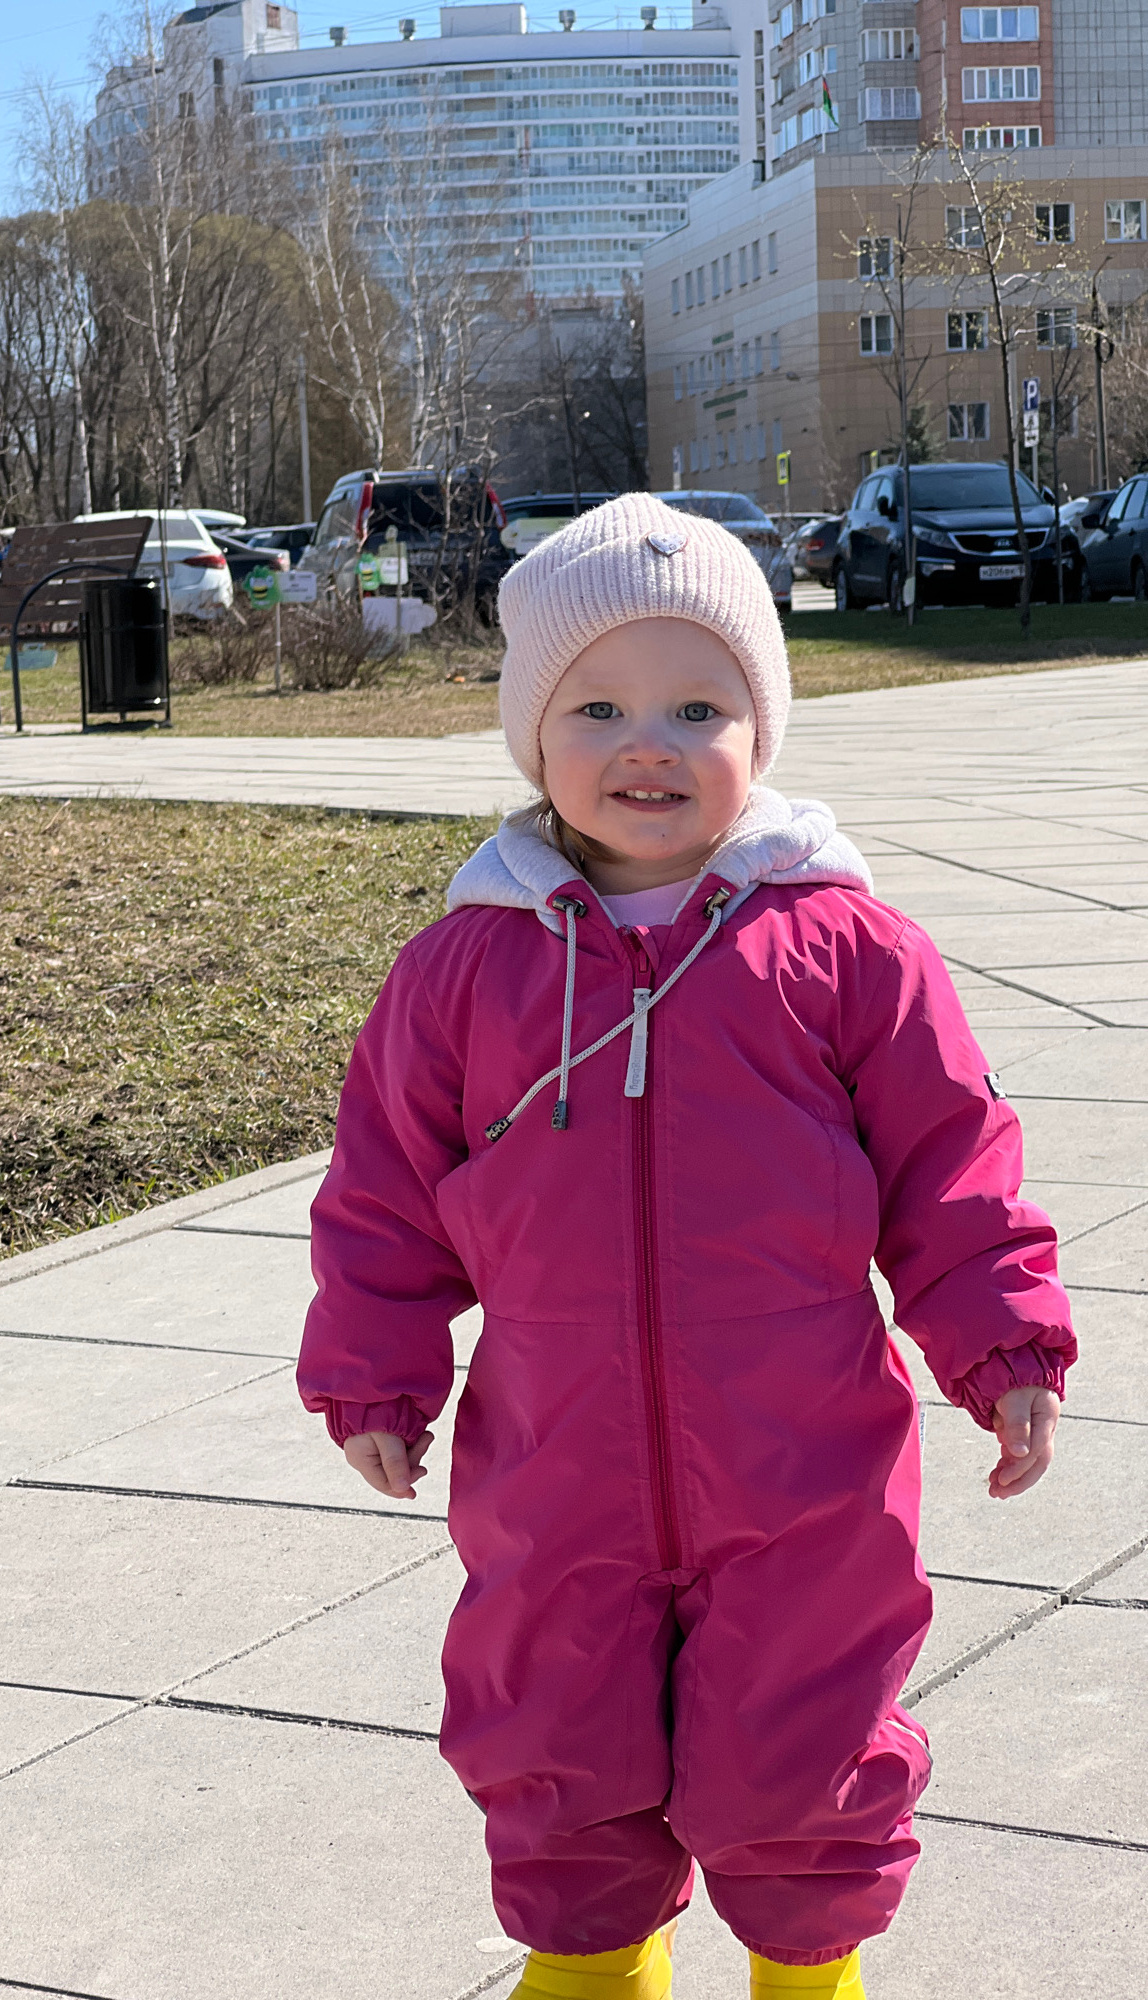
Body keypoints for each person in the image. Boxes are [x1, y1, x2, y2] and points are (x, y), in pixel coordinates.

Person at [296, 493, 1074, 1999]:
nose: (647, 743)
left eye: (697, 707)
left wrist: (1004, 1340)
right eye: (596, 707)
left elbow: (952, 1161)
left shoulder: (843, 951)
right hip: (553, 1464)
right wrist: (375, 1369)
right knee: (553, 1742)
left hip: (803, 1463)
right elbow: (384, 1188)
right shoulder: (466, 969)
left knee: (804, 1748)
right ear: (532, 736)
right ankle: (593, 1973)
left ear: (760, 731)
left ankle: (808, 1976)